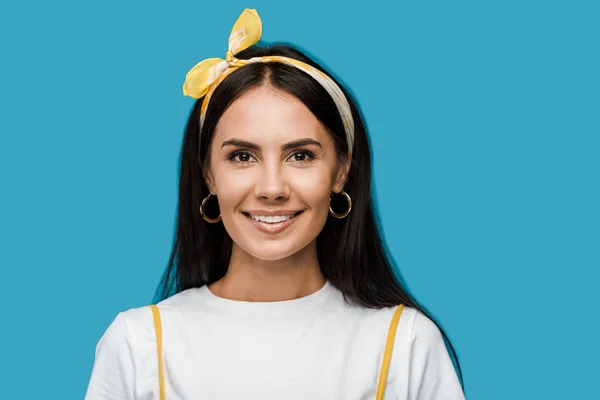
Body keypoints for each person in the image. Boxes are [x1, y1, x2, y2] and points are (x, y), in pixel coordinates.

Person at [85, 9, 465, 400]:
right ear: (208, 175)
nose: (271, 188)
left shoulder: (406, 345)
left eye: (300, 156)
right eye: (242, 157)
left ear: (341, 172)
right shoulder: (138, 345)